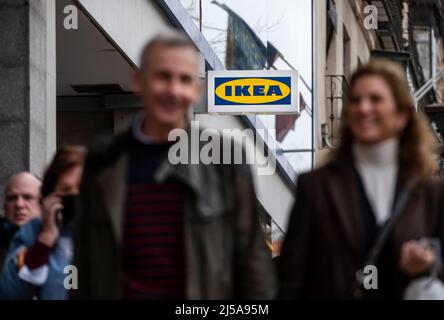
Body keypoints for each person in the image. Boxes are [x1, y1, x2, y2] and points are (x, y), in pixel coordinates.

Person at [72, 30, 275, 300]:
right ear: (138, 81)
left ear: (196, 89)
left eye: (185, 80)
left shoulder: (224, 158)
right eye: (162, 76)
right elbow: (85, 264)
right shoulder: (103, 159)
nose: (174, 91)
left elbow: (252, 263)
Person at [279, 60, 444, 299]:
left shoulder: (432, 195)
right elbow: (292, 280)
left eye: (376, 99)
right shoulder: (316, 186)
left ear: (402, 115)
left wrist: (429, 264)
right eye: (355, 100)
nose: (364, 108)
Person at [0, 146, 86, 300]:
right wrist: (45, 239)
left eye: (27, 197)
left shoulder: (111, 229)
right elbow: (10, 293)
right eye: (66, 189)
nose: (19, 205)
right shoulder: (32, 232)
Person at [0, 173, 41, 267]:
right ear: (5, 206)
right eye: (12, 198)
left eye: (28, 197)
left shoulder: (63, 244)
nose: (19, 204)